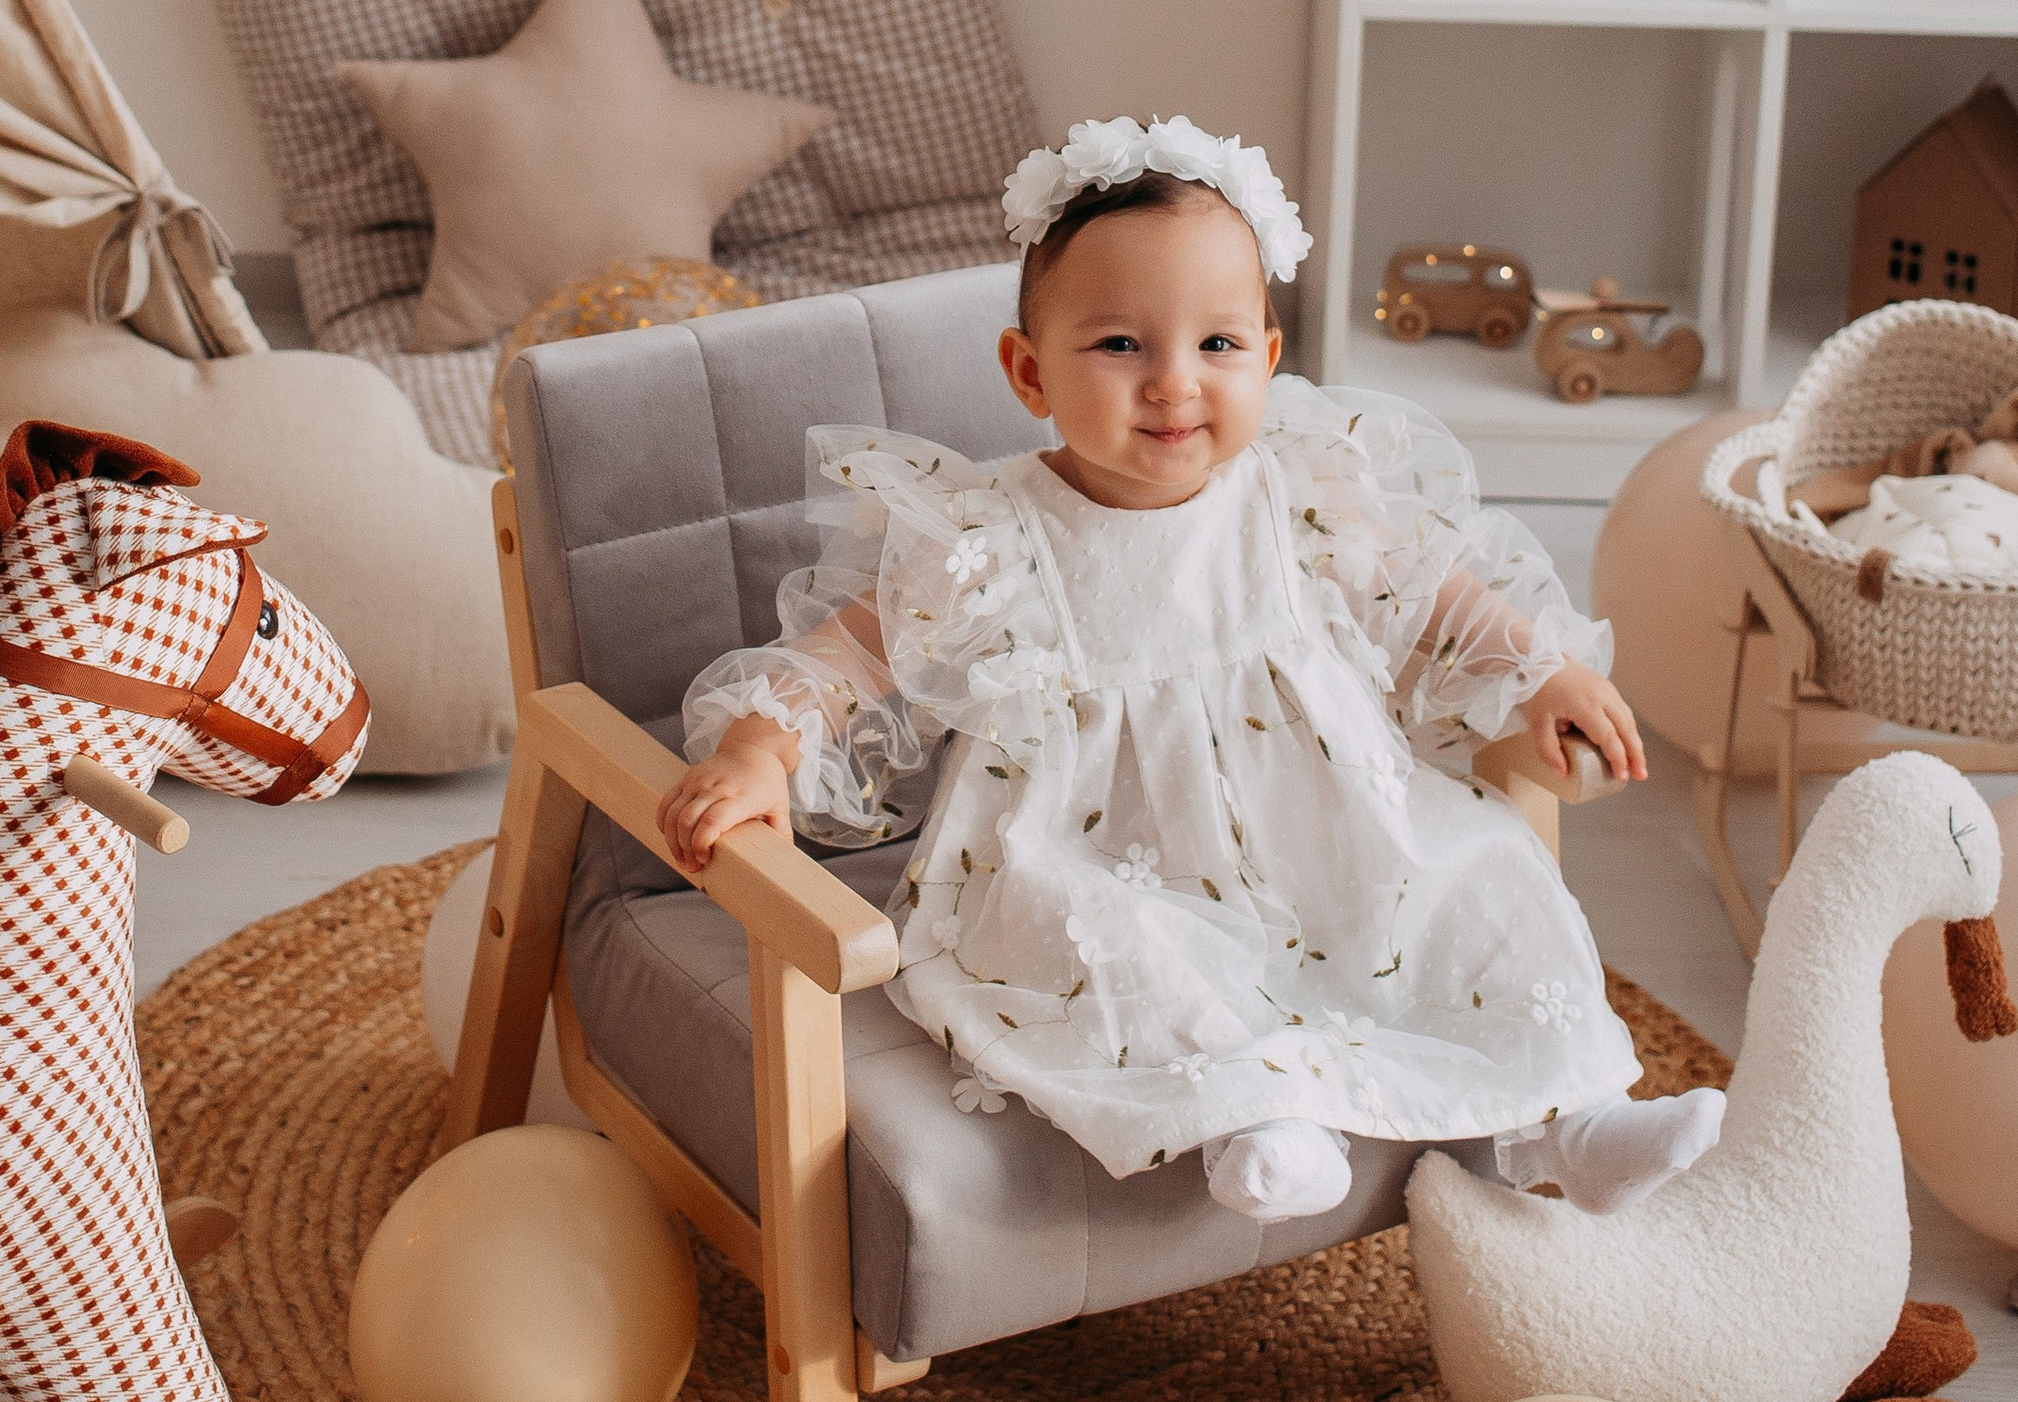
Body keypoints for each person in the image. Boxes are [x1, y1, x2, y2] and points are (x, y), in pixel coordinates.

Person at [659, 116, 1721, 1224]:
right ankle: (1255, 1116)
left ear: (1267, 358)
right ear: (1028, 372)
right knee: (1125, 950)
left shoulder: (1300, 488)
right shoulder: (989, 537)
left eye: (1215, 346)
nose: (1173, 384)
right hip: (1103, 851)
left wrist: (1536, 668)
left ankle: (1575, 1122)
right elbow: (846, 658)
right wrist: (759, 750)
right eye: (1119, 346)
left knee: (1485, 868)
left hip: (1326, 833)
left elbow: (1429, 595)